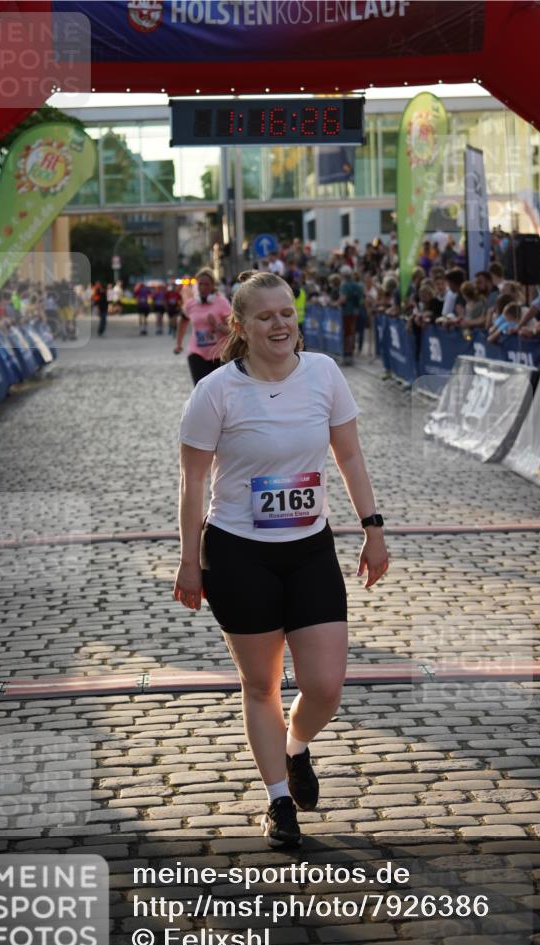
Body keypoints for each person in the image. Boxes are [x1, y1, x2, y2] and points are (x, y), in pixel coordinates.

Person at [174, 270, 388, 848]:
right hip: (239, 552)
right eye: (265, 316)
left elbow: (349, 454)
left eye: (286, 313)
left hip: (309, 547)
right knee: (262, 684)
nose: (279, 324)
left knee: (324, 685)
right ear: (240, 327)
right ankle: (276, 802)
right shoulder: (216, 391)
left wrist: (373, 528)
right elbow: (192, 482)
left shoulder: (323, 373)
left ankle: (296, 748)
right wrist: (189, 560)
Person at [174, 268, 231, 384]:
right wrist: (178, 344)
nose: (203, 288)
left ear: (213, 285)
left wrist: (217, 325)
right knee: (201, 389)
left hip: (219, 354)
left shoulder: (222, 303)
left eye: (207, 284)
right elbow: (183, 321)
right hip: (197, 353)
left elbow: (233, 331)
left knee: (219, 391)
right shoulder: (191, 304)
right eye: (200, 284)